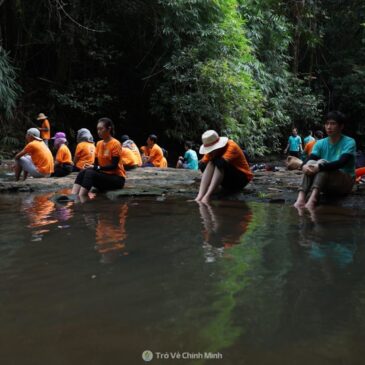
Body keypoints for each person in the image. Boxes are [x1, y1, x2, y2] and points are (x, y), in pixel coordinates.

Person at [294, 111, 356, 209]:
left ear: (341, 126)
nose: (329, 127)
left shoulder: (349, 142)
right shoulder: (320, 143)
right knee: (311, 163)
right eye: (327, 124)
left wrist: (319, 166)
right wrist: (304, 166)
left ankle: (313, 198)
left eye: (333, 124)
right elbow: (310, 158)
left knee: (322, 163)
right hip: (325, 182)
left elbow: (341, 163)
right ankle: (301, 198)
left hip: (344, 183)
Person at [71, 117, 126, 197]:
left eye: (101, 129)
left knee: (90, 172)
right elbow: (96, 164)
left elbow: (114, 166)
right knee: (84, 171)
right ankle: (73, 196)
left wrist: (96, 168)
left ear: (109, 129)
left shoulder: (115, 144)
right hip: (104, 176)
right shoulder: (98, 144)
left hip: (117, 179)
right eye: (97, 129)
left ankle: (81, 197)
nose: (98, 132)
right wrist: (90, 166)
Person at [195, 130, 253, 203]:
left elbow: (221, 163)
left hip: (242, 179)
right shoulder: (212, 152)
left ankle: (207, 196)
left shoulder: (231, 146)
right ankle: (199, 196)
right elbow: (202, 164)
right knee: (210, 163)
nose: (210, 152)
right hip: (228, 179)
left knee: (219, 163)